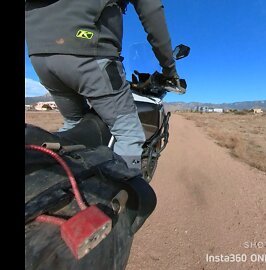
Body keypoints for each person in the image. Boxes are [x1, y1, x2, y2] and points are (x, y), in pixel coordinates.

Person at [25, 0, 180, 171]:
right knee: (128, 134)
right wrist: (170, 71)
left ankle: (63, 176)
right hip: (89, 50)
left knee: (75, 122)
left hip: (39, 55)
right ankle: (124, 192)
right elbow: (152, 12)